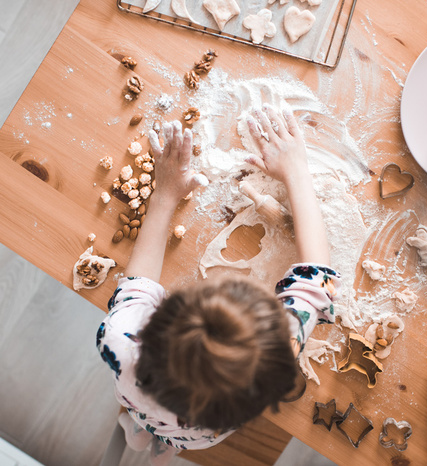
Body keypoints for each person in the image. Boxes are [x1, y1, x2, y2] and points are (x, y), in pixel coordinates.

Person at [96, 106, 341, 464]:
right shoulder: (273, 358)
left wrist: (164, 196)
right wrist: (296, 171)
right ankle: (168, 445)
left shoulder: (120, 341)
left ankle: (141, 430)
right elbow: (318, 274)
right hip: (203, 434)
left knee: (145, 418)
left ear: (156, 320)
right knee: (178, 436)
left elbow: (137, 285)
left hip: (141, 401)